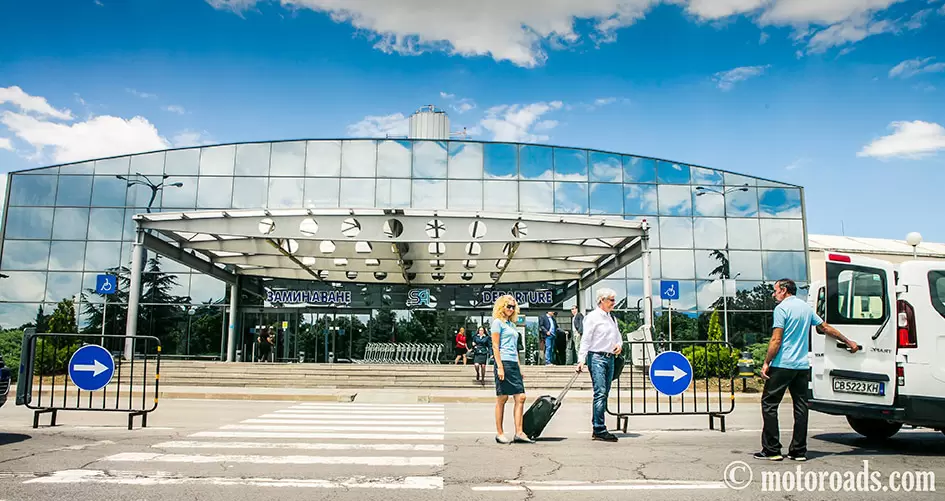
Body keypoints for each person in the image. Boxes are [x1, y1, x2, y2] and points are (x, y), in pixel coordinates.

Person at [756, 278, 860, 462]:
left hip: (782, 365)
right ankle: (799, 451)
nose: (773, 294)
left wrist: (766, 362)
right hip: (802, 367)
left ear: (784, 290)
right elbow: (825, 327)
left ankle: (772, 450)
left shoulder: (781, 309)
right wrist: (849, 341)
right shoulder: (805, 308)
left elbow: (776, 340)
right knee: (801, 407)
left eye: (775, 290)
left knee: (769, 405)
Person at [576, 288, 622, 442]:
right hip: (596, 357)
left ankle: (599, 426)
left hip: (610, 358)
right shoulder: (592, 318)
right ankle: (599, 428)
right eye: (611, 300)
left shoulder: (611, 318)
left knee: (605, 392)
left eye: (614, 300)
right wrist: (581, 359)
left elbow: (618, 336)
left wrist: (619, 345)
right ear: (601, 300)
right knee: (600, 392)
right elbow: (586, 339)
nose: (613, 303)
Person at [491, 294, 534, 444]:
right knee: (502, 398)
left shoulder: (512, 325)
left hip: (513, 363)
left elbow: (515, 349)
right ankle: (500, 433)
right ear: (501, 307)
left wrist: (519, 367)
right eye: (508, 306)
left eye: (513, 307)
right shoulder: (497, 323)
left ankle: (519, 432)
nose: (511, 309)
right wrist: (500, 367)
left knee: (520, 397)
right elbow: (495, 346)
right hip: (503, 362)